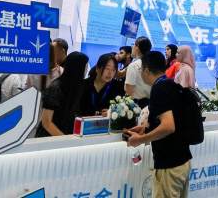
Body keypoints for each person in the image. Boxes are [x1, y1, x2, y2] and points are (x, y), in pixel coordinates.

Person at [125, 51, 192, 198]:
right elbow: (171, 120)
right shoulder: (170, 84)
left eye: (141, 70)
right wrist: (146, 128)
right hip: (182, 159)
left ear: (147, 70)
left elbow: (168, 126)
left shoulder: (159, 88)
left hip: (169, 164)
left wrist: (140, 139)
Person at [38, 52, 89, 136]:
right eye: (85, 66)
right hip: (50, 136)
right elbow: (46, 122)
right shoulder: (56, 88)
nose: (86, 70)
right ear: (78, 68)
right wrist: (64, 138)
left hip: (67, 134)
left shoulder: (77, 87)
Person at [78, 52, 124, 117]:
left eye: (113, 70)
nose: (110, 73)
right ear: (97, 68)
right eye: (107, 68)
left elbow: (123, 108)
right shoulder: (84, 85)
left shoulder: (118, 86)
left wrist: (113, 111)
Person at [125, 36, 153, 107]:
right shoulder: (153, 64)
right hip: (151, 105)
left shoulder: (133, 66)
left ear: (137, 47)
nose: (132, 47)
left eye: (133, 45)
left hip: (136, 106)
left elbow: (129, 92)